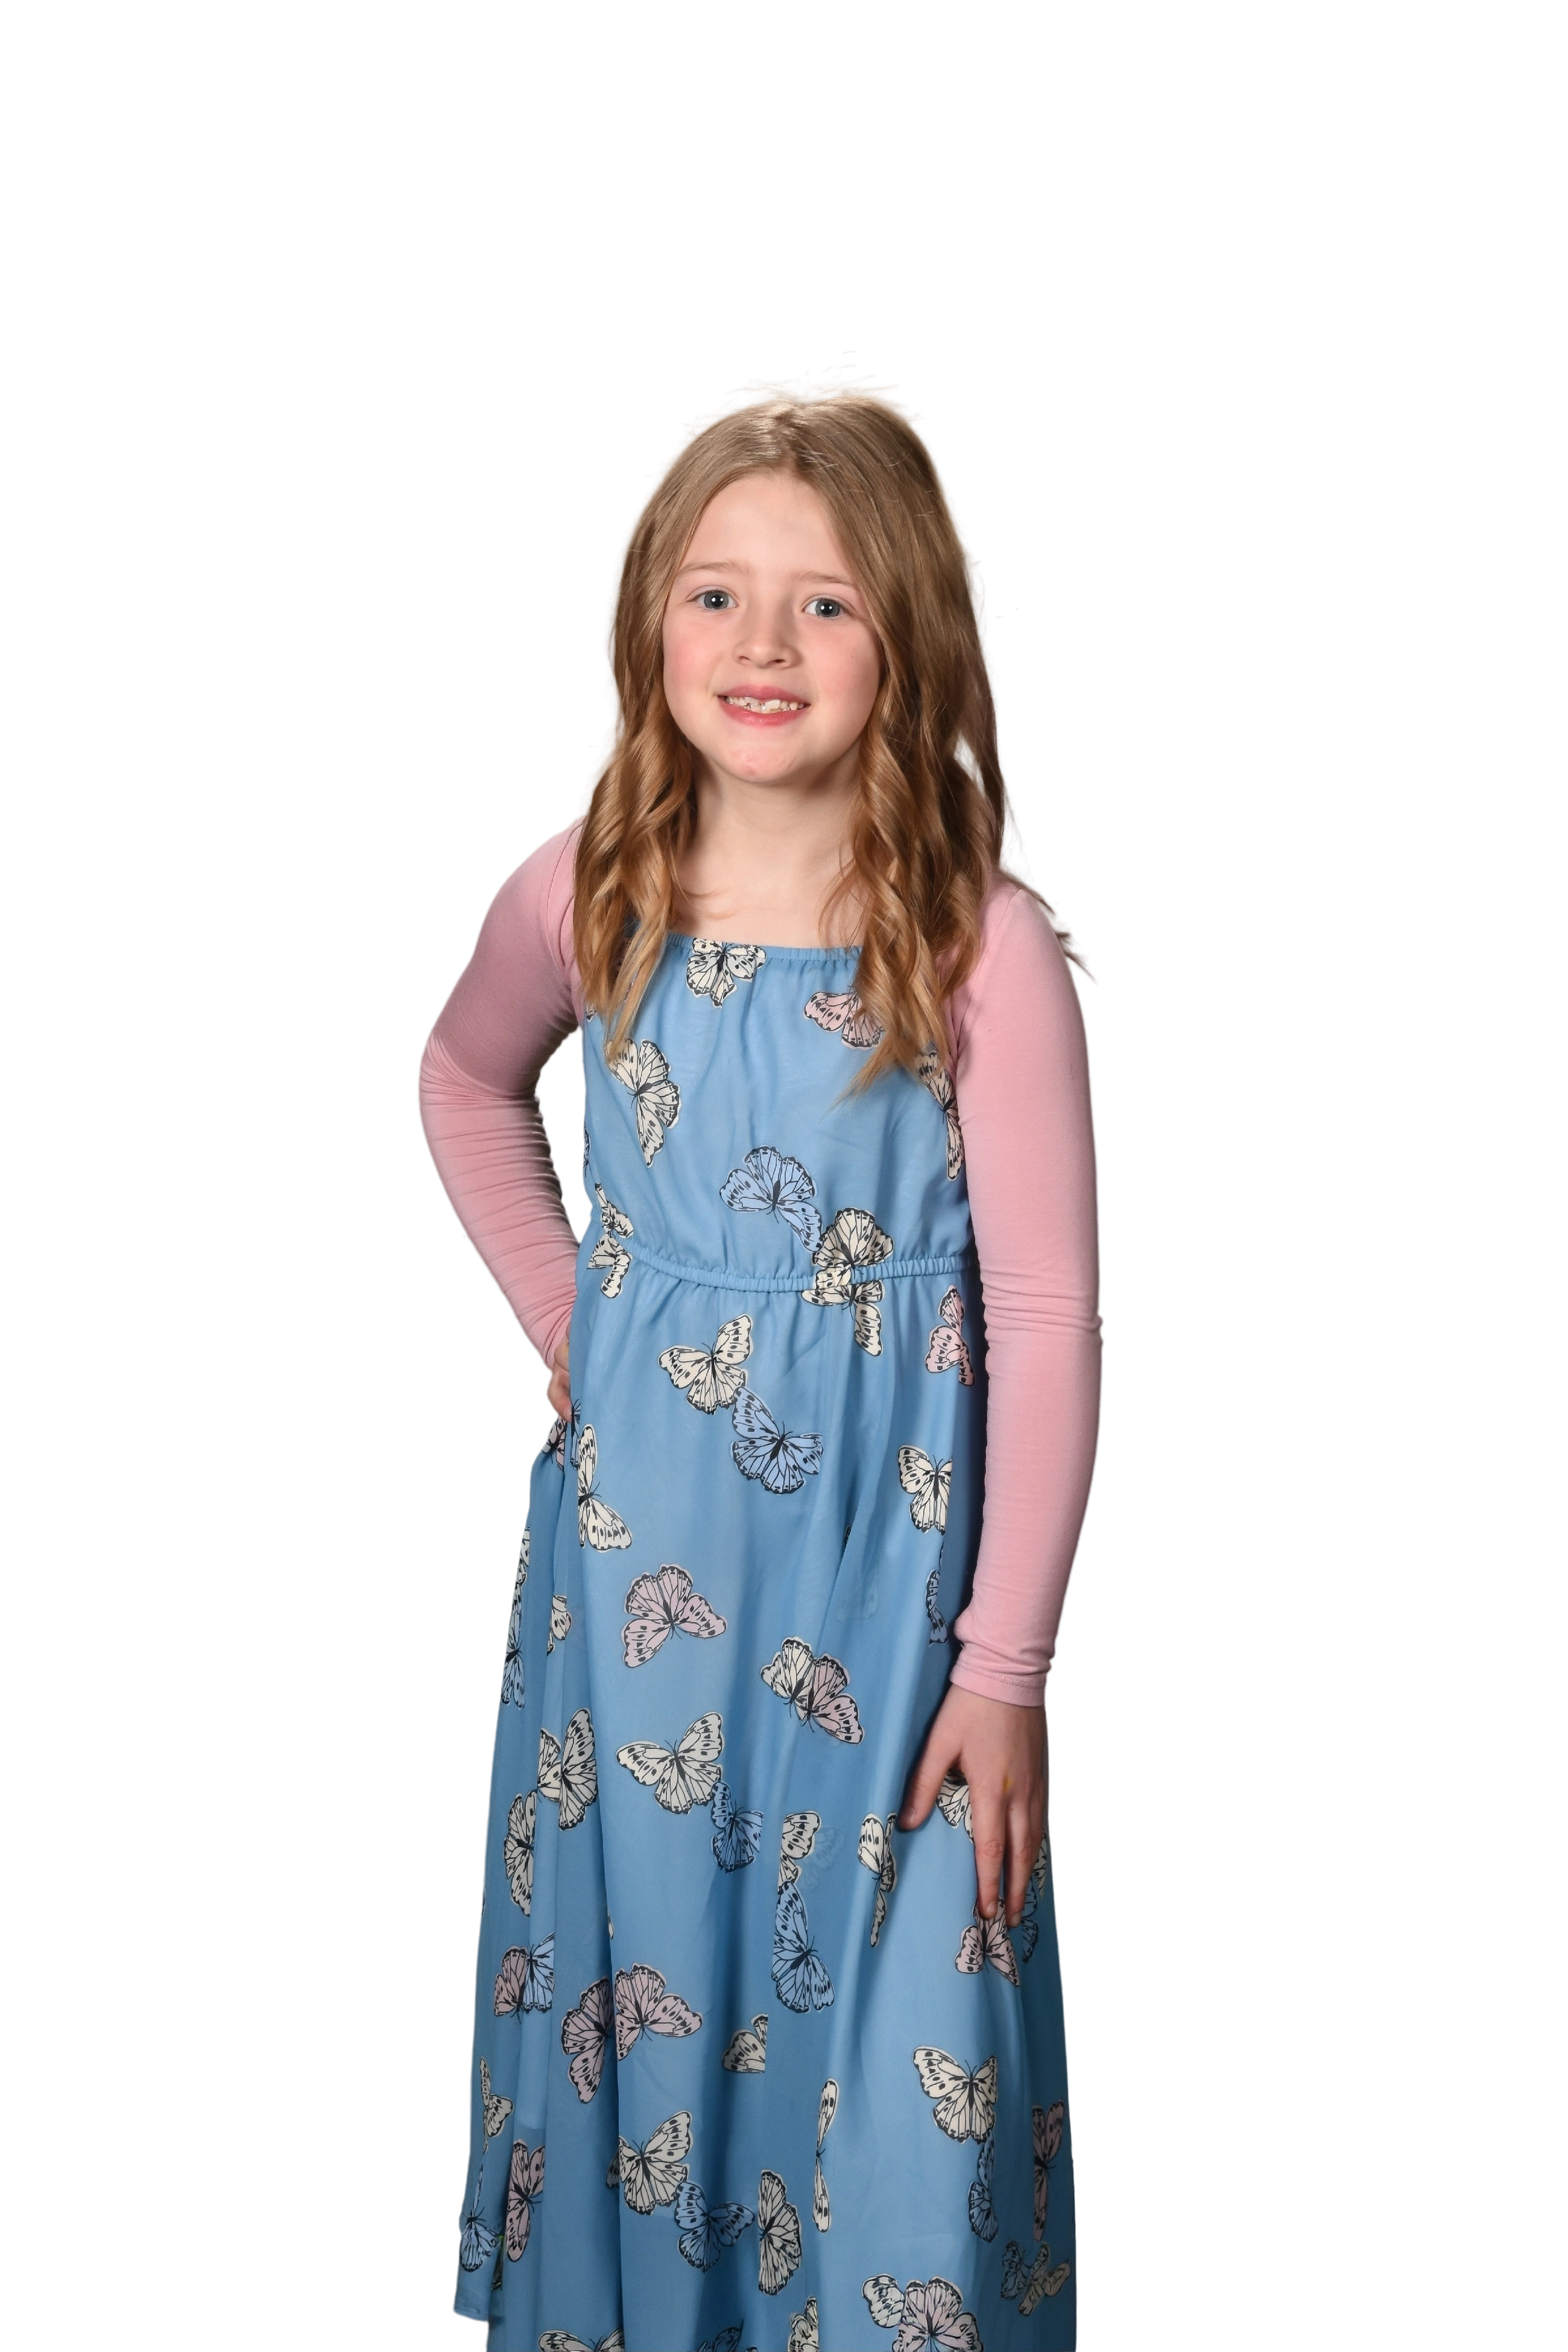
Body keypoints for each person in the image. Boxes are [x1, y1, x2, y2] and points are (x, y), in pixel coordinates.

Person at [416, 367, 1103, 2352]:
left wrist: (1008, 1668)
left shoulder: (976, 945)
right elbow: (463, 1085)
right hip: (639, 1605)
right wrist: (575, 1315)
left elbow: (1049, 1315)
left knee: (904, 2089)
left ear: (915, 634)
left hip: (897, 1629)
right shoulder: (584, 890)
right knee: (651, 2033)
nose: (764, 644)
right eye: (716, 593)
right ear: (651, 619)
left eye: (827, 600)